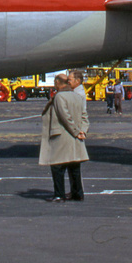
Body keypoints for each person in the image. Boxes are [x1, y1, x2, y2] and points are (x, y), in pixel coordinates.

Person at [40, 73, 89, 202]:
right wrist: (82, 131)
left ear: (57, 83)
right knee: (74, 166)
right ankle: (77, 193)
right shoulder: (77, 96)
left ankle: (59, 194)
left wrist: (75, 131)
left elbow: (65, 117)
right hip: (75, 138)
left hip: (62, 136)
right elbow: (85, 116)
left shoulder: (59, 97)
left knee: (57, 166)